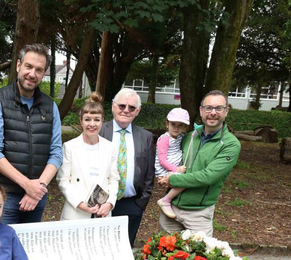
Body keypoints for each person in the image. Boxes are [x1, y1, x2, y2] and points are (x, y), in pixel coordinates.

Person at [0, 43, 63, 224]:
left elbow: (56, 152)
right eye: (28, 66)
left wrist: (38, 189)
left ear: (44, 74)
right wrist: (27, 184)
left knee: (29, 251)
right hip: (4, 196)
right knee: (2, 250)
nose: (32, 74)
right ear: (19, 65)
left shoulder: (51, 107)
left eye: (39, 70)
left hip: (36, 198)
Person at [158, 90, 241, 236]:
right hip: (170, 209)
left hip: (198, 214)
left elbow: (208, 177)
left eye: (219, 108)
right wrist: (161, 175)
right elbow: (171, 159)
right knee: (166, 255)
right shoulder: (189, 137)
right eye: (208, 108)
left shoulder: (230, 144)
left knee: (198, 257)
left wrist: (172, 179)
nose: (213, 112)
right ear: (201, 111)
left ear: (226, 111)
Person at [99, 88, 155, 246]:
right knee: (99, 248)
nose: (126, 110)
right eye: (122, 105)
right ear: (113, 106)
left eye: (131, 108)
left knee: (124, 249)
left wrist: (141, 204)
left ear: (137, 111)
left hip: (132, 204)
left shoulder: (146, 137)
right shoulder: (99, 131)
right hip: (100, 202)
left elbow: (149, 173)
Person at [56, 92, 120, 220]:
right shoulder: (70, 147)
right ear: (81, 121)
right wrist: (80, 204)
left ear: (102, 121)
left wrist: (110, 203)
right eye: (87, 119)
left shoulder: (110, 147)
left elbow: (113, 179)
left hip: (101, 214)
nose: (92, 124)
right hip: (76, 213)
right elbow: (63, 180)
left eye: (96, 120)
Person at [155, 108, 190, 219]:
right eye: (173, 124)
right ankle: (165, 200)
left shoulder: (180, 137)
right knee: (186, 181)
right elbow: (162, 160)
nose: (176, 127)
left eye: (180, 125)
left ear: (184, 127)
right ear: (167, 124)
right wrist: (176, 169)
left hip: (172, 168)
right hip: (165, 169)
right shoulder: (165, 139)